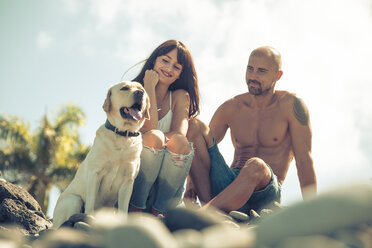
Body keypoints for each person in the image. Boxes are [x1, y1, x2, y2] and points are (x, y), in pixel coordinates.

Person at [185, 46, 317, 214]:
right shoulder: (232, 107)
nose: (253, 76)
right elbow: (199, 148)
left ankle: (204, 213)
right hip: (229, 185)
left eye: (261, 71)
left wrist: (313, 209)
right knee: (194, 126)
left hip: (265, 192)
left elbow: (304, 159)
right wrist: (190, 184)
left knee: (256, 165)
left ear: (278, 75)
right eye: (250, 68)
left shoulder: (291, 105)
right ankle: (210, 210)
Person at [129, 40, 200, 215]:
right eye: (165, 61)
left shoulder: (180, 96)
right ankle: (135, 208)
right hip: (133, 184)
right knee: (155, 138)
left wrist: (154, 137)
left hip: (164, 190)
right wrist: (149, 88)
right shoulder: (133, 91)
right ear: (154, 60)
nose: (169, 68)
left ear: (180, 74)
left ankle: (158, 213)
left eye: (176, 67)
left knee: (181, 143)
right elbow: (151, 128)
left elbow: (178, 134)